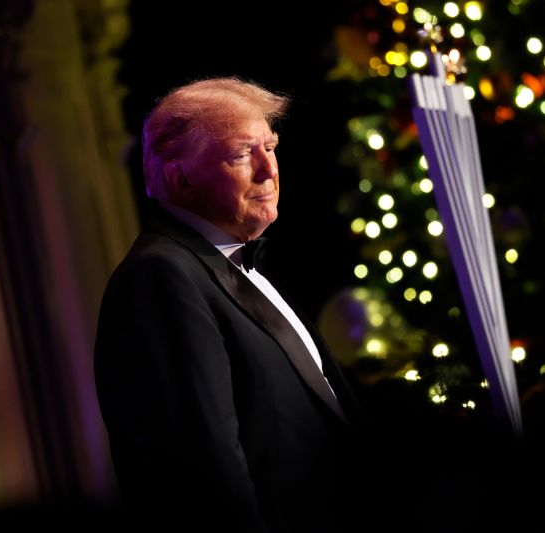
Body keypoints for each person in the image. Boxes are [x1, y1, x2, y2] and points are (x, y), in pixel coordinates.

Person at [94, 77, 372, 532]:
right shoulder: (159, 278)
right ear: (179, 177)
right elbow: (204, 472)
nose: (269, 170)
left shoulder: (230, 260)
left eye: (271, 147)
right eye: (242, 154)